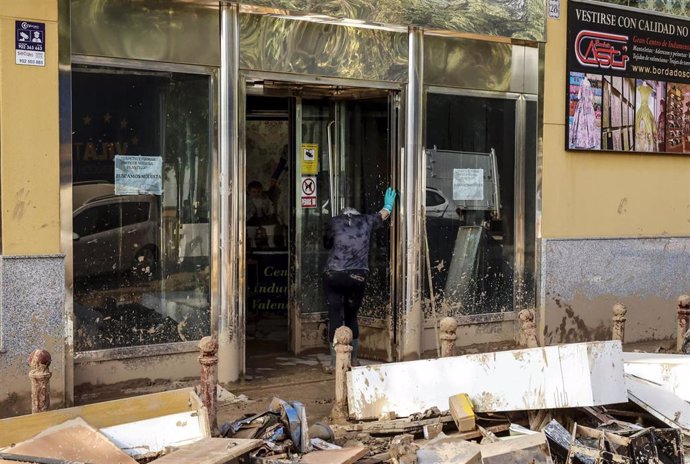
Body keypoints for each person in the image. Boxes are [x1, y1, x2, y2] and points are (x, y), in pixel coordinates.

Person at [322, 187, 397, 372]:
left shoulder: (334, 222)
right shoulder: (366, 220)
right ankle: (354, 361)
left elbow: (326, 244)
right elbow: (384, 214)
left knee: (335, 315)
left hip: (334, 274)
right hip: (358, 275)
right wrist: (388, 204)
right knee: (351, 316)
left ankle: (335, 363)